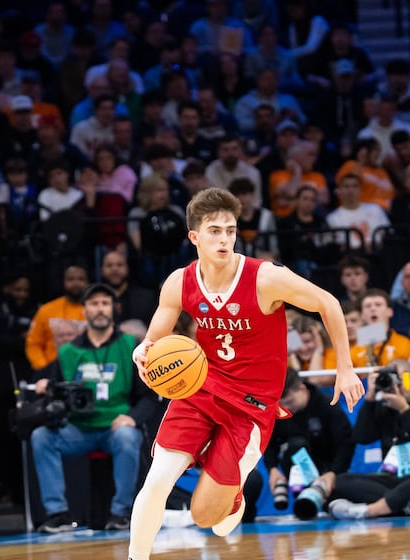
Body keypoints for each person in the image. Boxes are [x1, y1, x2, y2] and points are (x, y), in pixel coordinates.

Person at [126, 188, 363, 560]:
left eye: (231, 231)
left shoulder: (265, 277)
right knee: (157, 480)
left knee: (209, 519)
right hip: (200, 389)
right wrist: (143, 351)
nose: (224, 239)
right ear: (194, 237)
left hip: (251, 405)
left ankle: (232, 498)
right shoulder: (179, 282)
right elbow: (154, 337)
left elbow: (328, 303)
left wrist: (344, 367)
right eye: (215, 231)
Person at [31, 283, 159, 533]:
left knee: (126, 436)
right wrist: (48, 387)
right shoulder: (68, 351)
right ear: (84, 310)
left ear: (114, 308)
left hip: (114, 428)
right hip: (79, 430)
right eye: (93, 303)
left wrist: (132, 418)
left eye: (104, 303)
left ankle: (120, 513)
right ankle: (57, 514)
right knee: (41, 437)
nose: (99, 309)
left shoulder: (130, 345)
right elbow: (58, 391)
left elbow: (149, 395)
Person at [326, 359, 410, 519]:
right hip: (393, 477)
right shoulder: (383, 405)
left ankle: (371, 510)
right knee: (342, 481)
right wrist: (370, 399)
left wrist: (404, 410)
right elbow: (361, 437)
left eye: (399, 379)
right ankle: (408, 505)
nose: (395, 385)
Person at [244, 368, 354, 520]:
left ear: (302, 389)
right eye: (282, 406)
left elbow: (345, 443)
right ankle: (301, 493)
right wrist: (273, 469)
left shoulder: (327, 406)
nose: (287, 409)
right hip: (295, 467)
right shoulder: (279, 411)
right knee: (296, 445)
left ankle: (317, 494)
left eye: (290, 402)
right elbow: (268, 441)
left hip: (326, 467)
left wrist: (333, 473)